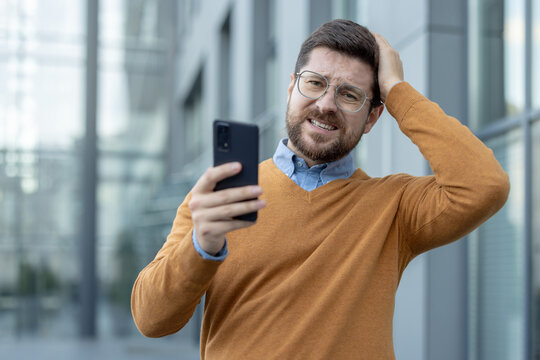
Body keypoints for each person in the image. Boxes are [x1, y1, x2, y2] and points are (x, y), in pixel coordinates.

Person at [131, 19, 509, 359]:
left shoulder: (395, 208)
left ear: (373, 116)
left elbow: (484, 185)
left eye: (350, 95)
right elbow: (151, 320)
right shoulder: (219, 198)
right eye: (315, 83)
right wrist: (203, 245)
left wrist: (396, 90)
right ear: (292, 87)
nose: (326, 104)